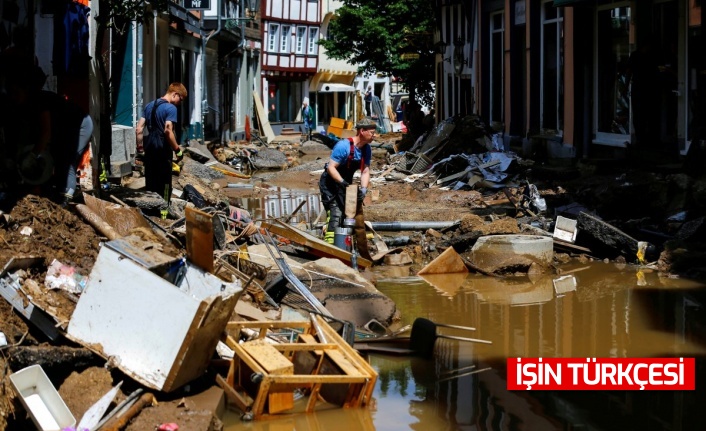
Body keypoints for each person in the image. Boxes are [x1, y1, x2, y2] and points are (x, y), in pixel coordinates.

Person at [9, 65, 93, 206]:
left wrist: (32, 155)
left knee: (67, 161)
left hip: (80, 126)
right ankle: (56, 196)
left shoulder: (39, 102)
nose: (14, 97)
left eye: (16, 93)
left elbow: (45, 132)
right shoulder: (20, 107)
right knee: (58, 158)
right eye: (11, 93)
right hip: (64, 130)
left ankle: (64, 202)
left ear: (25, 90)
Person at [318, 118, 376, 245]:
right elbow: (331, 168)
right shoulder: (343, 146)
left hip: (345, 185)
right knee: (336, 213)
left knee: (347, 215)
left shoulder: (366, 149)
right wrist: (342, 182)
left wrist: (364, 189)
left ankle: (345, 243)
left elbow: (365, 171)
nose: (374, 135)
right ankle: (330, 246)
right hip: (330, 184)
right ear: (362, 131)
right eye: (372, 132)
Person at [136, 82, 187, 215]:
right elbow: (168, 130)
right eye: (180, 99)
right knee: (165, 181)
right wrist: (177, 149)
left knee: (151, 179)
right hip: (162, 146)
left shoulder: (149, 106)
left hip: (149, 145)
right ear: (175, 94)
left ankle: (149, 212)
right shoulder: (170, 109)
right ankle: (163, 212)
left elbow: (139, 128)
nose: (179, 103)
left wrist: (140, 149)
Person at [626, 40, 660, 149]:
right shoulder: (648, 56)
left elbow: (629, 71)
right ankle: (644, 139)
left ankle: (642, 139)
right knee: (644, 115)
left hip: (642, 89)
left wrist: (626, 86)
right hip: (646, 89)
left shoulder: (637, 56)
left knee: (641, 115)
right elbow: (629, 71)